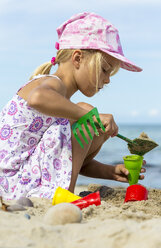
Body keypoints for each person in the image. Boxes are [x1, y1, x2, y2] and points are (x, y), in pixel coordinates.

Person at [0, 12, 146, 200]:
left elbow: (69, 160)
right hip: (12, 182)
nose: (107, 80)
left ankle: (64, 192)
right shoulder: (53, 83)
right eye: (104, 70)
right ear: (77, 58)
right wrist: (90, 116)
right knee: (86, 112)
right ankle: (66, 195)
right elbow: (37, 98)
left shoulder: (60, 98)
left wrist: (111, 172)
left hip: (18, 179)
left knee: (93, 123)